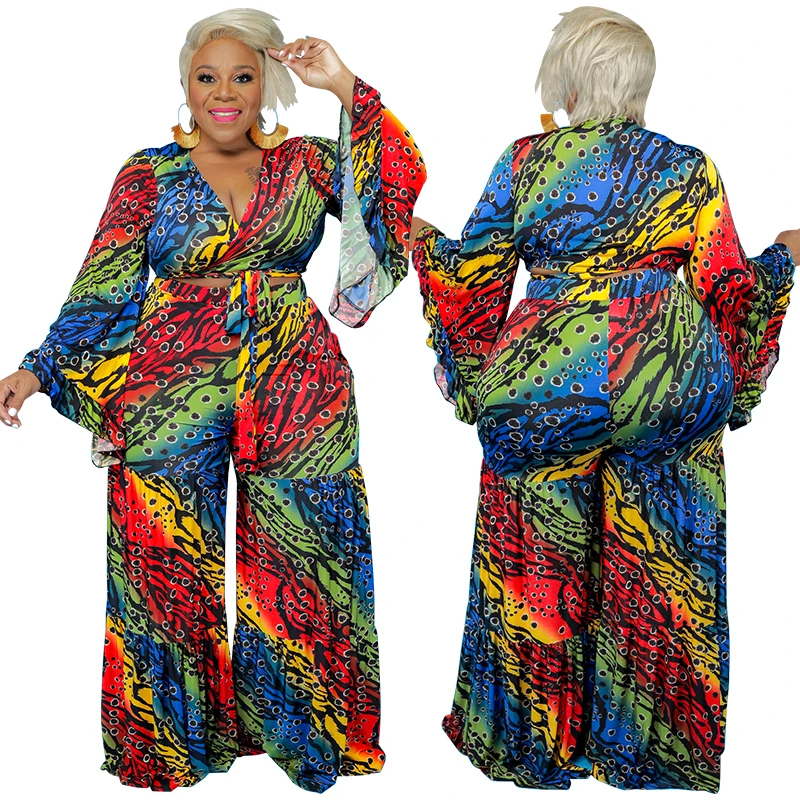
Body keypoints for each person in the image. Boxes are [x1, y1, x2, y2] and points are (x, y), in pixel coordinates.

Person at [0, 8, 425, 794]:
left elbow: (390, 189)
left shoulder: (308, 163)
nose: (223, 93)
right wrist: (36, 369)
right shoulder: (147, 173)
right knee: (162, 564)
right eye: (207, 77)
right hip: (170, 384)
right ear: (185, 84)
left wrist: (343, 86)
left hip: (296, 379)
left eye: (242, 76)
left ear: (266, 86)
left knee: (306, 556)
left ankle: (305, 734)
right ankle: (169, 741)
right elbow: (101, 286)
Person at [410, 6, 797, 793]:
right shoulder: (687, 167)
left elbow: (472, 279)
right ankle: (650, 751)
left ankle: (536, 743)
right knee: (663, 566)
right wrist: (784, 259)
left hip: (547, 385)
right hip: (667, 380)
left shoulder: (525, 162)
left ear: (568, 80)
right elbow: (728, 290)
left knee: (537, 560)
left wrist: (420, 240)